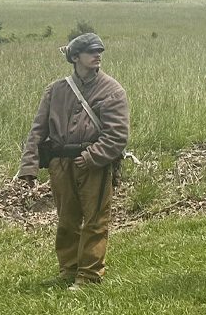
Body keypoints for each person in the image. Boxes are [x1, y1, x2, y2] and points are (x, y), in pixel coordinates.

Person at [15, 33, 130, 289]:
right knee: (67, 220)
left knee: (95, 221)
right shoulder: (56, 90)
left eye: (100, 51)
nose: (98, 55)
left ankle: (88, 276)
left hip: (94, 165)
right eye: (91, 51)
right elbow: (38, 130)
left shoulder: (112, 90)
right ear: (75, 57)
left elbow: (117, 135)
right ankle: (68, 270)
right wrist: (29, 166)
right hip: (60, 165)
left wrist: (91, 157)